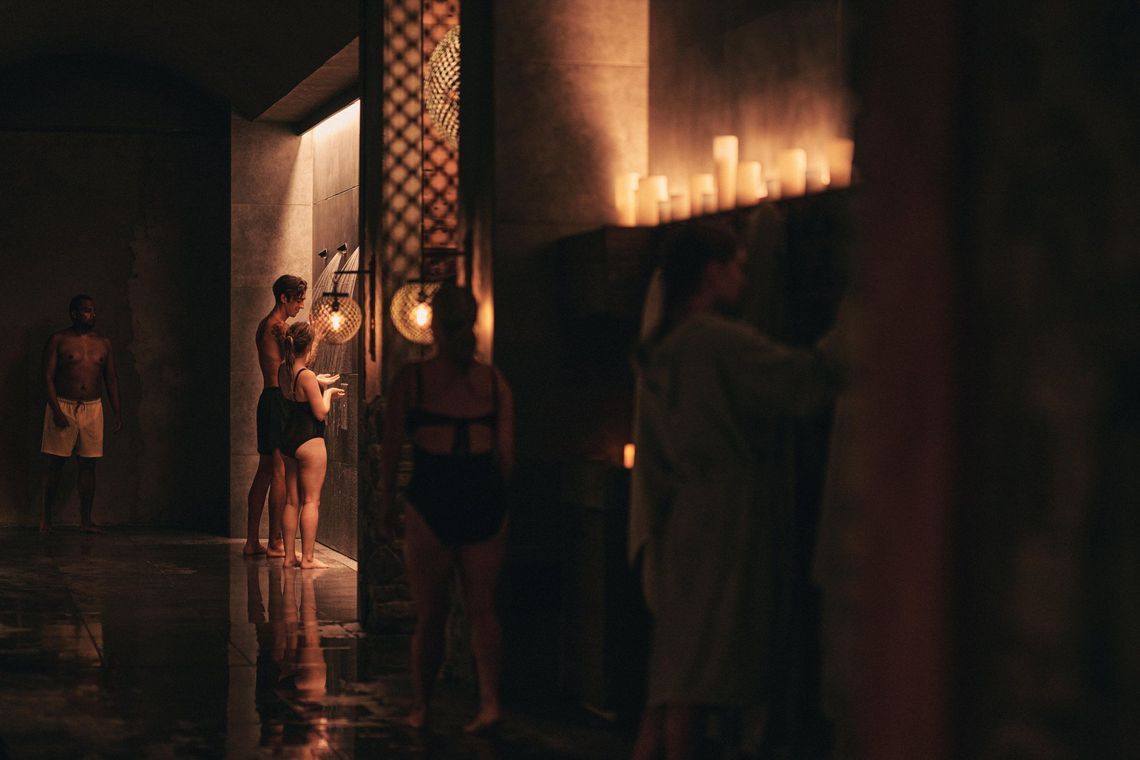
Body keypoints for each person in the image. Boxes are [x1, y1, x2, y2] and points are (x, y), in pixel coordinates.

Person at [628, 223, 848, 759]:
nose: (745, 281)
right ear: (712, 273)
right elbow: (803, 381)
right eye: (739, 267)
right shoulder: (714, 341)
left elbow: (653, 462)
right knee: (698, 678)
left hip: (683, 520)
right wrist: (852, 327)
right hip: (727, 524)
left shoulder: (661, 348)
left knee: (673, 679)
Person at [378, 281, 515, 734]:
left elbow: (392, 448)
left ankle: (422, 707)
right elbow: (506, 457)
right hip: (483, 493)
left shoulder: (413, 379)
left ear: (433, 325)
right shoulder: (493, 382)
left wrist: (385, 501)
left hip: (432, 493)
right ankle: (490, 702)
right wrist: (502, 505)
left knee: (430, 614)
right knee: (483, 609)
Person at [40, 294, 122, 533]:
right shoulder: (59, 340)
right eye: (86, 310)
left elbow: (111, 379)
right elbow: (47, 377)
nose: (92, 314)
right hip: (63, 404)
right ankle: (46, 519)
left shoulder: (104, 343)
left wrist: (117, 411)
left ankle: (85, 521)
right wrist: (56, 410)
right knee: (55, 464)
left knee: (88, 465)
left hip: (92, 408)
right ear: (74, 313)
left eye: (94, 310)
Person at [244, 275, 307, 558]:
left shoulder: (264, 325)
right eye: (298, 300)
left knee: (265, 471)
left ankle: (251, 541)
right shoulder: (278, 327)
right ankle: (275, 542)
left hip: (267, 399)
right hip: (278, 399)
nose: (301, 306)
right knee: (279, 471)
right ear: (284, 297)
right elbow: (296, 365)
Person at [278, 321, 344, 569]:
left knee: (291, 501)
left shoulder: (283, 369)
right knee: (311, 501)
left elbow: (298, 390)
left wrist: (316, 381)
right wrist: (328, 393)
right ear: (307, 348)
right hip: (309, 440)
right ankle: (307, 559)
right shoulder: (306, 376)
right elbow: (320, 412)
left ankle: (288, 557)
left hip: (288, 439)